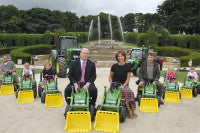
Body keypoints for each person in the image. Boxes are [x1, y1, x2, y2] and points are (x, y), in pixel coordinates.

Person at [109, 51, 137, 119]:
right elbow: (110, 77)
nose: (120, 57)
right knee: (123, 92)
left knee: (130, 92)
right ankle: (129, 109)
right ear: (117, 58)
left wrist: (123, 86)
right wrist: (112, 84)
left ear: (124, 57)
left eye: (122, 56)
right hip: (115, 85)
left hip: (124, 84)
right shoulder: (114, 66)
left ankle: (132, 108)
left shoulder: (128, 66)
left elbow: (128, 78)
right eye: (119, 56)